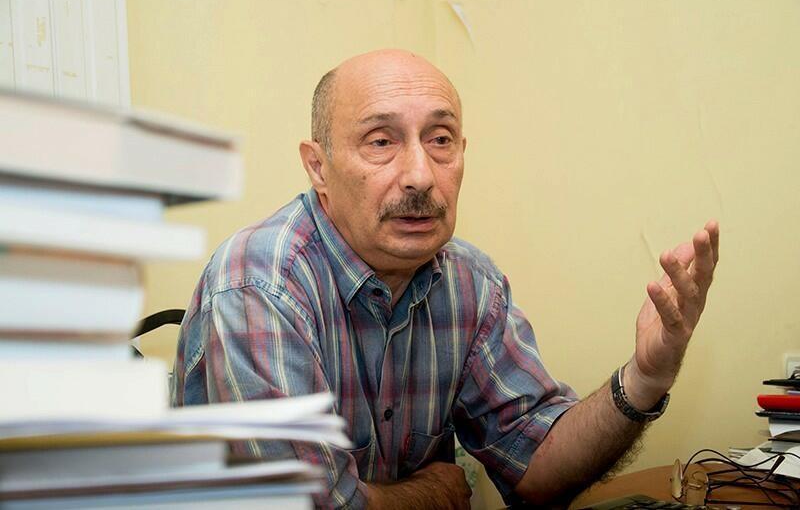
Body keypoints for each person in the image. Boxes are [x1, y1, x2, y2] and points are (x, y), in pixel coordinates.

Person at [171, 49, 719, 509]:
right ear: (318, 167)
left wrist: (644, 378)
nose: (420, 175)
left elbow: (536, 465)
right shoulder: (259, 285)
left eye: (440, 139)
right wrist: (430, 492)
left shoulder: (469, 283)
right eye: (380, 141)